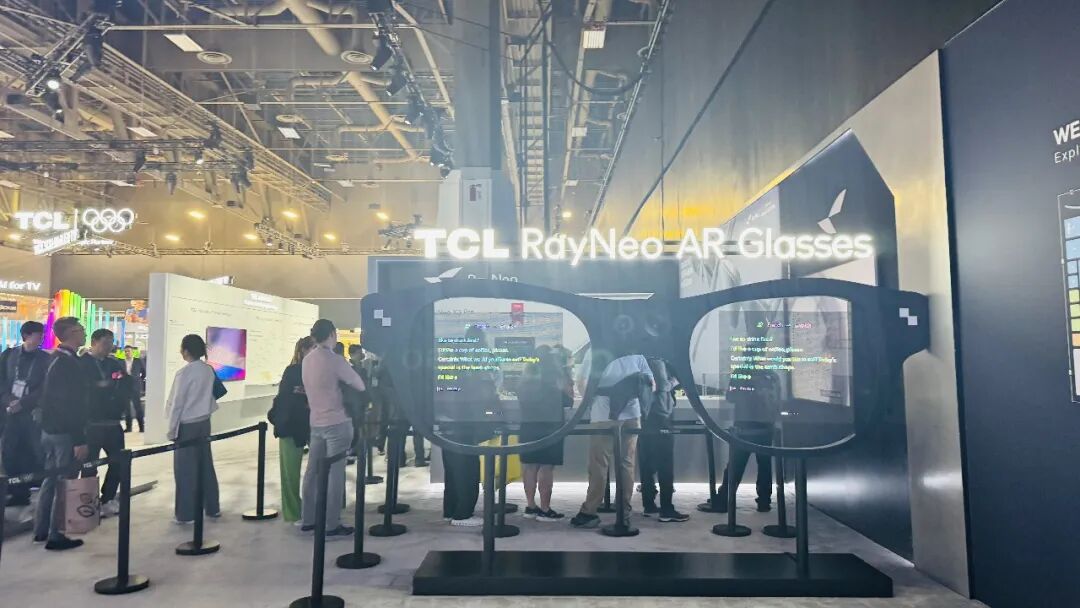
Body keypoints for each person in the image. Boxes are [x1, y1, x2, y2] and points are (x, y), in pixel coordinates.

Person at [570, 353, 654, 529]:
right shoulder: (637, 354)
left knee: (599, 464)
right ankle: (624, 511)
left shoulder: (596, 350)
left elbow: (582, 382)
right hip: (632, 415)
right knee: (627, 464)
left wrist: (591, 402)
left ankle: (589, 511)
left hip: (603, 414)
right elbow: (651, 384)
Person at [300, 319, 366, 538]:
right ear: (331, 334)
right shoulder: (334, 360)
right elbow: (359, 385)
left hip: (315, 422)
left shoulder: (307, 360)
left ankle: (308, 519)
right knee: (335, 473)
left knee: (312, 472)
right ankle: (331, 523)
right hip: (337, 421)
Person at [33, 317, 90, 551]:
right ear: (71, 333)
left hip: (50, 430)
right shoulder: (68, 363)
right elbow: (71, 404)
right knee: (64, 482)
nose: (84, 333)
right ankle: (56, 534)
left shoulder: (53, 359)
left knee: (51, 479)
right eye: (81, 329)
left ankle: (41, 529)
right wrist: (79, 439)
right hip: (64, 432)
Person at [166, 334, 221, 524]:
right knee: (206, 465)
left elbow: (177, 403)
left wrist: (172, 430)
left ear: (186, 351)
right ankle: (212, 507)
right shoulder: (208, 370)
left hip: (187, 425)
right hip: (204, 422)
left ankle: (186, 514)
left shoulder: (184, 373)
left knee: (185, 470)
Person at [709, 369, 780, 513]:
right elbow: (777, 400)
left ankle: (724, 498)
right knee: (765, 465)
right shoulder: (772, 375)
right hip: (766, 426)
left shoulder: (740, 373)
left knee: (736, 463)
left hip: (744, 426)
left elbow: (731, 397)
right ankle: (764, 501)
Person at [518, 352, 572, 522]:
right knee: (546, 468)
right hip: (551, 430)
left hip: (527, 429)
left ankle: (530, 506)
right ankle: (545, 509)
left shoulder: (523, 385)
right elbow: (569, 401)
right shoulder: (553, 386)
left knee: (529, 467)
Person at [80, 329, 127, 517]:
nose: (109, 346)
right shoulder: (82, 364)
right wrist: (98, 387)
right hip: (91, 423)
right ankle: (89, 503)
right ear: (94, 342)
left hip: (113, 422)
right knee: (89, 465)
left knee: (118, 462)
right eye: (105, 342)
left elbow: (123, 385)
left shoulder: (114, 363)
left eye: (111, 342)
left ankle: (108, 497)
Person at [0, 321, 48, 507]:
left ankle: (31, 488)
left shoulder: (45, 359)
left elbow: (44, 387)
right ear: (26, 335)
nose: (41, 338)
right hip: (10, 412)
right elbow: (2, 381)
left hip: (31, 412)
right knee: (10, 452)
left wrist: (24, 403)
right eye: (38, 334)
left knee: (33, 452)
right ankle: (15, 492)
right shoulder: (9, 355)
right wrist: (9, 400)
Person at [269, 336, 314, 523]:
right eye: (312, 348)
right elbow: (286, 396)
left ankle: (311, 508)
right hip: (292, 424)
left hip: (313, 423)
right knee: (290, 473)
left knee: (318, 469)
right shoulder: (293, 371)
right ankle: (293, 511)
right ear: (303, 350)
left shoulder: (316, 368)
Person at [638, 358, 689, 522]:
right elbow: (661, 386)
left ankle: (649, 505)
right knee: (665, 463)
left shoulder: (642, 359)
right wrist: (676, 380)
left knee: (647, 462)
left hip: (645, 416)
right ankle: (667, 509)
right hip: (661, 415)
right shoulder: (657, 361)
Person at [120, 345, 145, 433]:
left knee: (138, 407)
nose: (127, 353)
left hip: (135, 386)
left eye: (129, 351)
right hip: (125, 386)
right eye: (125, 351)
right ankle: (128, 427)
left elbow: (144, 372)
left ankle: (141, 427)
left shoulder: (138, 361)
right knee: (127, 408)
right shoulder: (121, 362)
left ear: (132, 352)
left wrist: (138, 379)